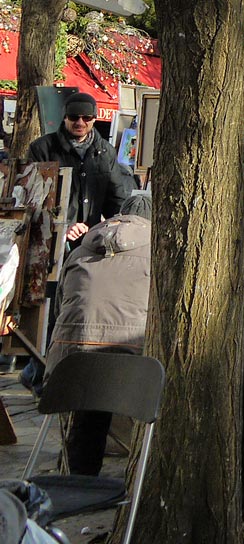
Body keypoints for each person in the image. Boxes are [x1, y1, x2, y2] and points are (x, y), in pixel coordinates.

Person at [45, 189, 152, 475]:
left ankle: (80, 475)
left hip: (66, 366)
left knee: (91, 393)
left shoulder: (81, 249)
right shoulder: (157, 250)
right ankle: (142, 473)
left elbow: (59, 309)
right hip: (132, 369)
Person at [27, 90, 127, 242]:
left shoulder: (106, 152)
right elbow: (32, 199)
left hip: (92, 240)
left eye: (86, 117)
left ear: (94, 119)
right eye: (74, 117)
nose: (80, 123)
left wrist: (117, 230)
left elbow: (116, 199)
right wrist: (62, 225)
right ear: (65, 117)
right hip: (50, 240)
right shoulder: (42, 148)